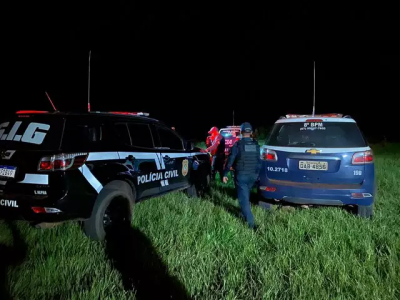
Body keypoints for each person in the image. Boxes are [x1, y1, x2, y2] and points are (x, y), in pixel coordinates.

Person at [223, 122, 261, 230]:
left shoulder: (237, 145)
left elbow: (230, 160)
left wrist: (225, 173)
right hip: (253, 176)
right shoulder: (256, 145)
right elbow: (259, 162)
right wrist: (257, 174)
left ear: (241, 132)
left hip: (242, 176)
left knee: (243, 199)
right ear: (251, 132)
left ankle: (251, 225)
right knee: (246, 195)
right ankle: (244, 213)